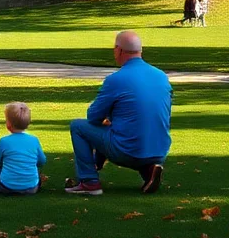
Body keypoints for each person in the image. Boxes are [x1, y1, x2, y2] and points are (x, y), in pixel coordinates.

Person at [66, 31, 172, 196]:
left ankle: (89, 181)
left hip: (127, 150)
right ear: (140, 51)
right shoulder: (161, 76)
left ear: (119, 50)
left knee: (78, 126)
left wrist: (108, 117)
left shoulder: (116, 79)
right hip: (159, 149)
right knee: (115, 125)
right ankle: (150, 170)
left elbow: (93, 117)